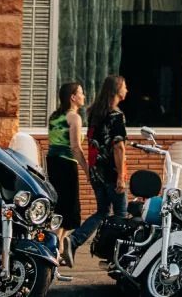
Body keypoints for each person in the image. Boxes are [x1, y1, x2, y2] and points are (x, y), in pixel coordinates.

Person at [70, 74, 128, 257]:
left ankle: (73, 240)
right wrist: (120, 176)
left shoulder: (95, 113)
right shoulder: (116, 116)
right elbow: (118, 147)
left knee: (102, 211)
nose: (127, 90)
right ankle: (117, 255)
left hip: (96, 172)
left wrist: (89, 171)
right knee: (120, 215)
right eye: (125, 87)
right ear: (117, 90)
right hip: (111, 173)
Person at [46, 82, 88, 267]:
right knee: (68, 208)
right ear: (73, 97)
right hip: (66, 165)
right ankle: (53, 249)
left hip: (53, 163)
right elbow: (75, 147)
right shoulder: (74, 118)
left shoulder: (55, 117)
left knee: (60, 206)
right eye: (80, 93)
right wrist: (87, 170)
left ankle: (60, 248)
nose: (83, 96)